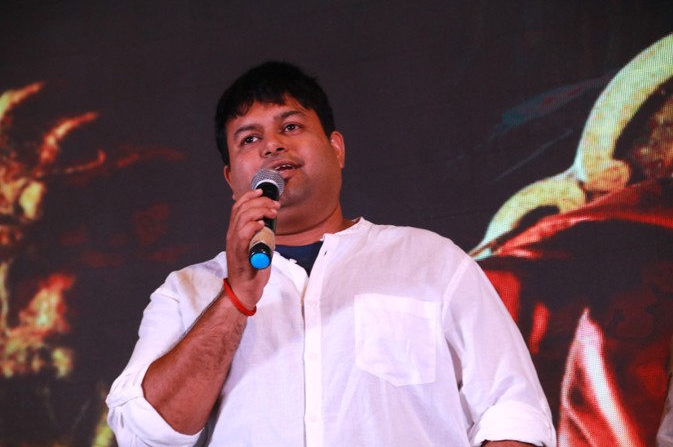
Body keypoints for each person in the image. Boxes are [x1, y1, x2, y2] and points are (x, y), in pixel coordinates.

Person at [106, 61, 556, 447]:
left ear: (336, 148)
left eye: (291, 127)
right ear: (230, 179)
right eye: (249, 139)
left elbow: (512, 409)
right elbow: (145, 433)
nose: (272, 145)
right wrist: (236, 296)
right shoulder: (185, 292)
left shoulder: (432, 261)